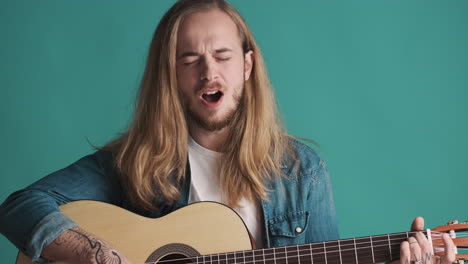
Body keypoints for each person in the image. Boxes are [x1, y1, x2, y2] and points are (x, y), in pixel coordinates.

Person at [0, 0, 455, 264]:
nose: (207, 72)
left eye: (221, 55)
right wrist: (93, 254)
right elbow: (20, 206)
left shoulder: (302, 172)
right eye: (189, 59)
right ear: (170, 75)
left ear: (247, 66)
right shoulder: (132, 162)